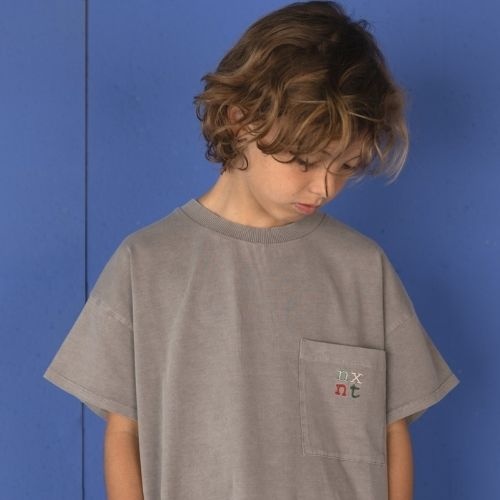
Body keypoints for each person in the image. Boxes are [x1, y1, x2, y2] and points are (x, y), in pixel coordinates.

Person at [43, 2, 460, 499]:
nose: (325, 187)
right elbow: (123, 433)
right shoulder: (146, 265)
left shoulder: (362, 269)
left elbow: (393, 430)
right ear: (239, 119)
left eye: (347, 166)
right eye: (304, 160)